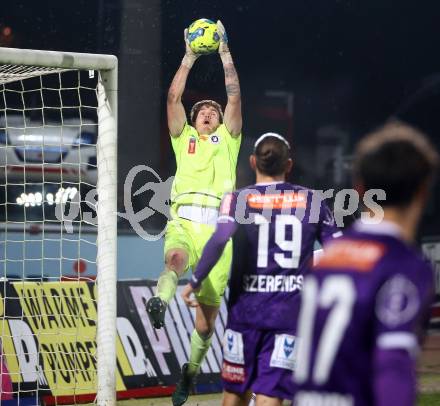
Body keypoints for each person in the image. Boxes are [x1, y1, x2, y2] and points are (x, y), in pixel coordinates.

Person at [182, 133, 342, 406]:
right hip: (288, 316)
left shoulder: (236, 200)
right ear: (288, 165)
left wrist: (195, 280)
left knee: (234, 394)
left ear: (253, 162)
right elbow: (339, 253)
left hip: (246, 314)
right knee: (271, 395)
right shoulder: (313, 201)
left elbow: (219, 239)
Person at [292, 122, 439, 406]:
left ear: (359, 190)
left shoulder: (327, 259)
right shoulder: (403, 264)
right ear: (423, 192)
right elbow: (392, 367)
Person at [145, 20, 242, 406]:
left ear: (219, 121)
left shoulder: (228, 142)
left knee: (207, 320)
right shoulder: (183, 136)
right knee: (174, 259)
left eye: (211, 111)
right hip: (183, 218)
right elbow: (172, 100)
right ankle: (160, 302)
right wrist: (187, 57)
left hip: (219, 231)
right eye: (201, 109)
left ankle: (189, 372)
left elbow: (234, 98)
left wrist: (224, 52)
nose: (205, 112)